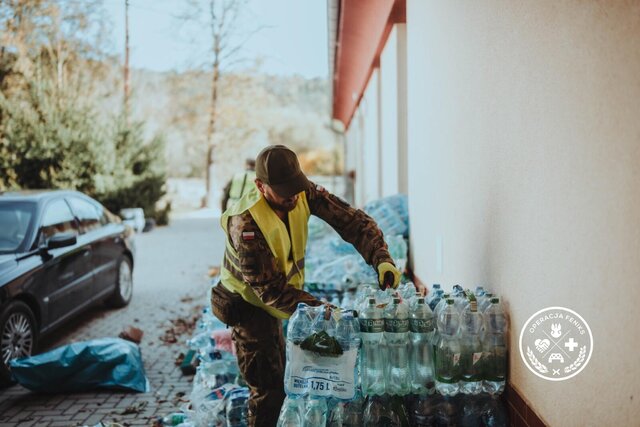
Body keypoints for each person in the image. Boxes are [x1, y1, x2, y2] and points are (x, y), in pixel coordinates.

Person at [210, 145, 401, 427]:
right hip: (247, 303)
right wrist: (325, 311)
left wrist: (381, 259)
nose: (293, 195)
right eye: (284, 189)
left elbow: (352, 221)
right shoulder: (246, 224)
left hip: (281, 298)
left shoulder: (301, 191)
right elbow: (269, 291)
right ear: (260, 186)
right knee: (269, 388)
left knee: (287, 375)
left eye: (296, 186)